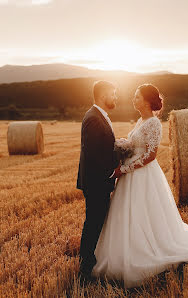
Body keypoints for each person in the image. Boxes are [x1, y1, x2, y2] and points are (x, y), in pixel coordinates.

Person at [92, 84, 188, 288]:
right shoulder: (141, 121)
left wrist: (124, 169)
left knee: (143, 213)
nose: (134, 99)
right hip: (131, 174)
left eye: (137, 96)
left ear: (148, 101)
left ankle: (145, 251)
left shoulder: (154, 124)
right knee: (127, 214)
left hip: (143, 176)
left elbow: (150, 156)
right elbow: (136, 147)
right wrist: (123, 148)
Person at [76, 80, 119, 281]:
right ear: (103, 95)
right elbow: (93, 153)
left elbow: (103, 148)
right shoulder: (94, 118)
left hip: (97, 180)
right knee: (93, 222)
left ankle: (89, 259)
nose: (115, 97)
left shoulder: (98, 115)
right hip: (96, 181)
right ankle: (86, 265)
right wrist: (112, 171)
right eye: (113, 93)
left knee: (95, 221)